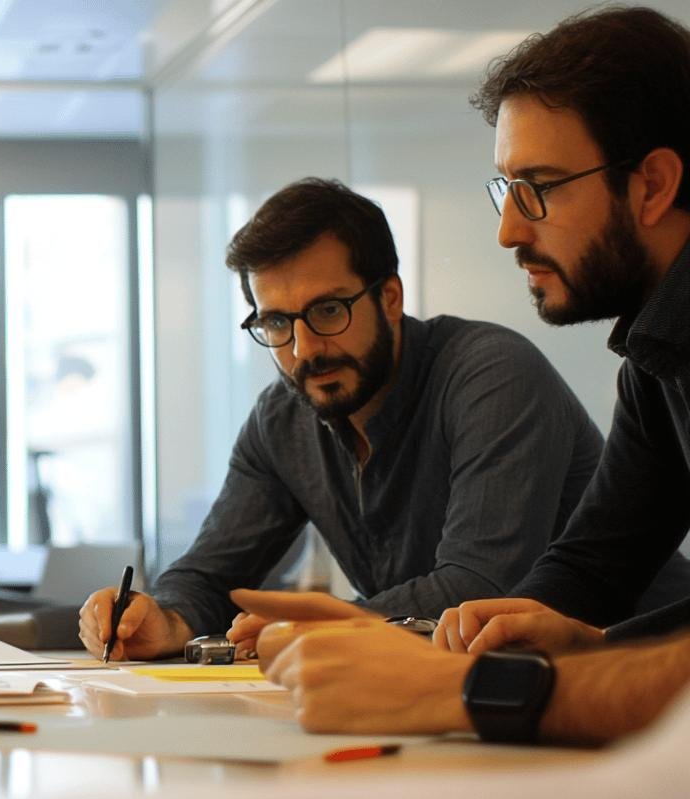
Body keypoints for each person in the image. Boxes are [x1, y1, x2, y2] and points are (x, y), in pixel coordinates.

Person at [247, 6, 690, 745]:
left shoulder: (491, 370)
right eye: (505, 190)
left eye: (539, 188)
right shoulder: (656, 349)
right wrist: (501, 638)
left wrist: (469, 688)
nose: (509, 231)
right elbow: (592, 565)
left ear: (652, 185)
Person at [78, 177, 620, 661]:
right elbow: (210, 576)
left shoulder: (491, 374)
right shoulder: (282, 420)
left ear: (389, 297)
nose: (306, 349)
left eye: (328, 311)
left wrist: (314, 626)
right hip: (468, 689)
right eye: (276, 323)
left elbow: (479, 588)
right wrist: (161, 621)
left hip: (635, 681)